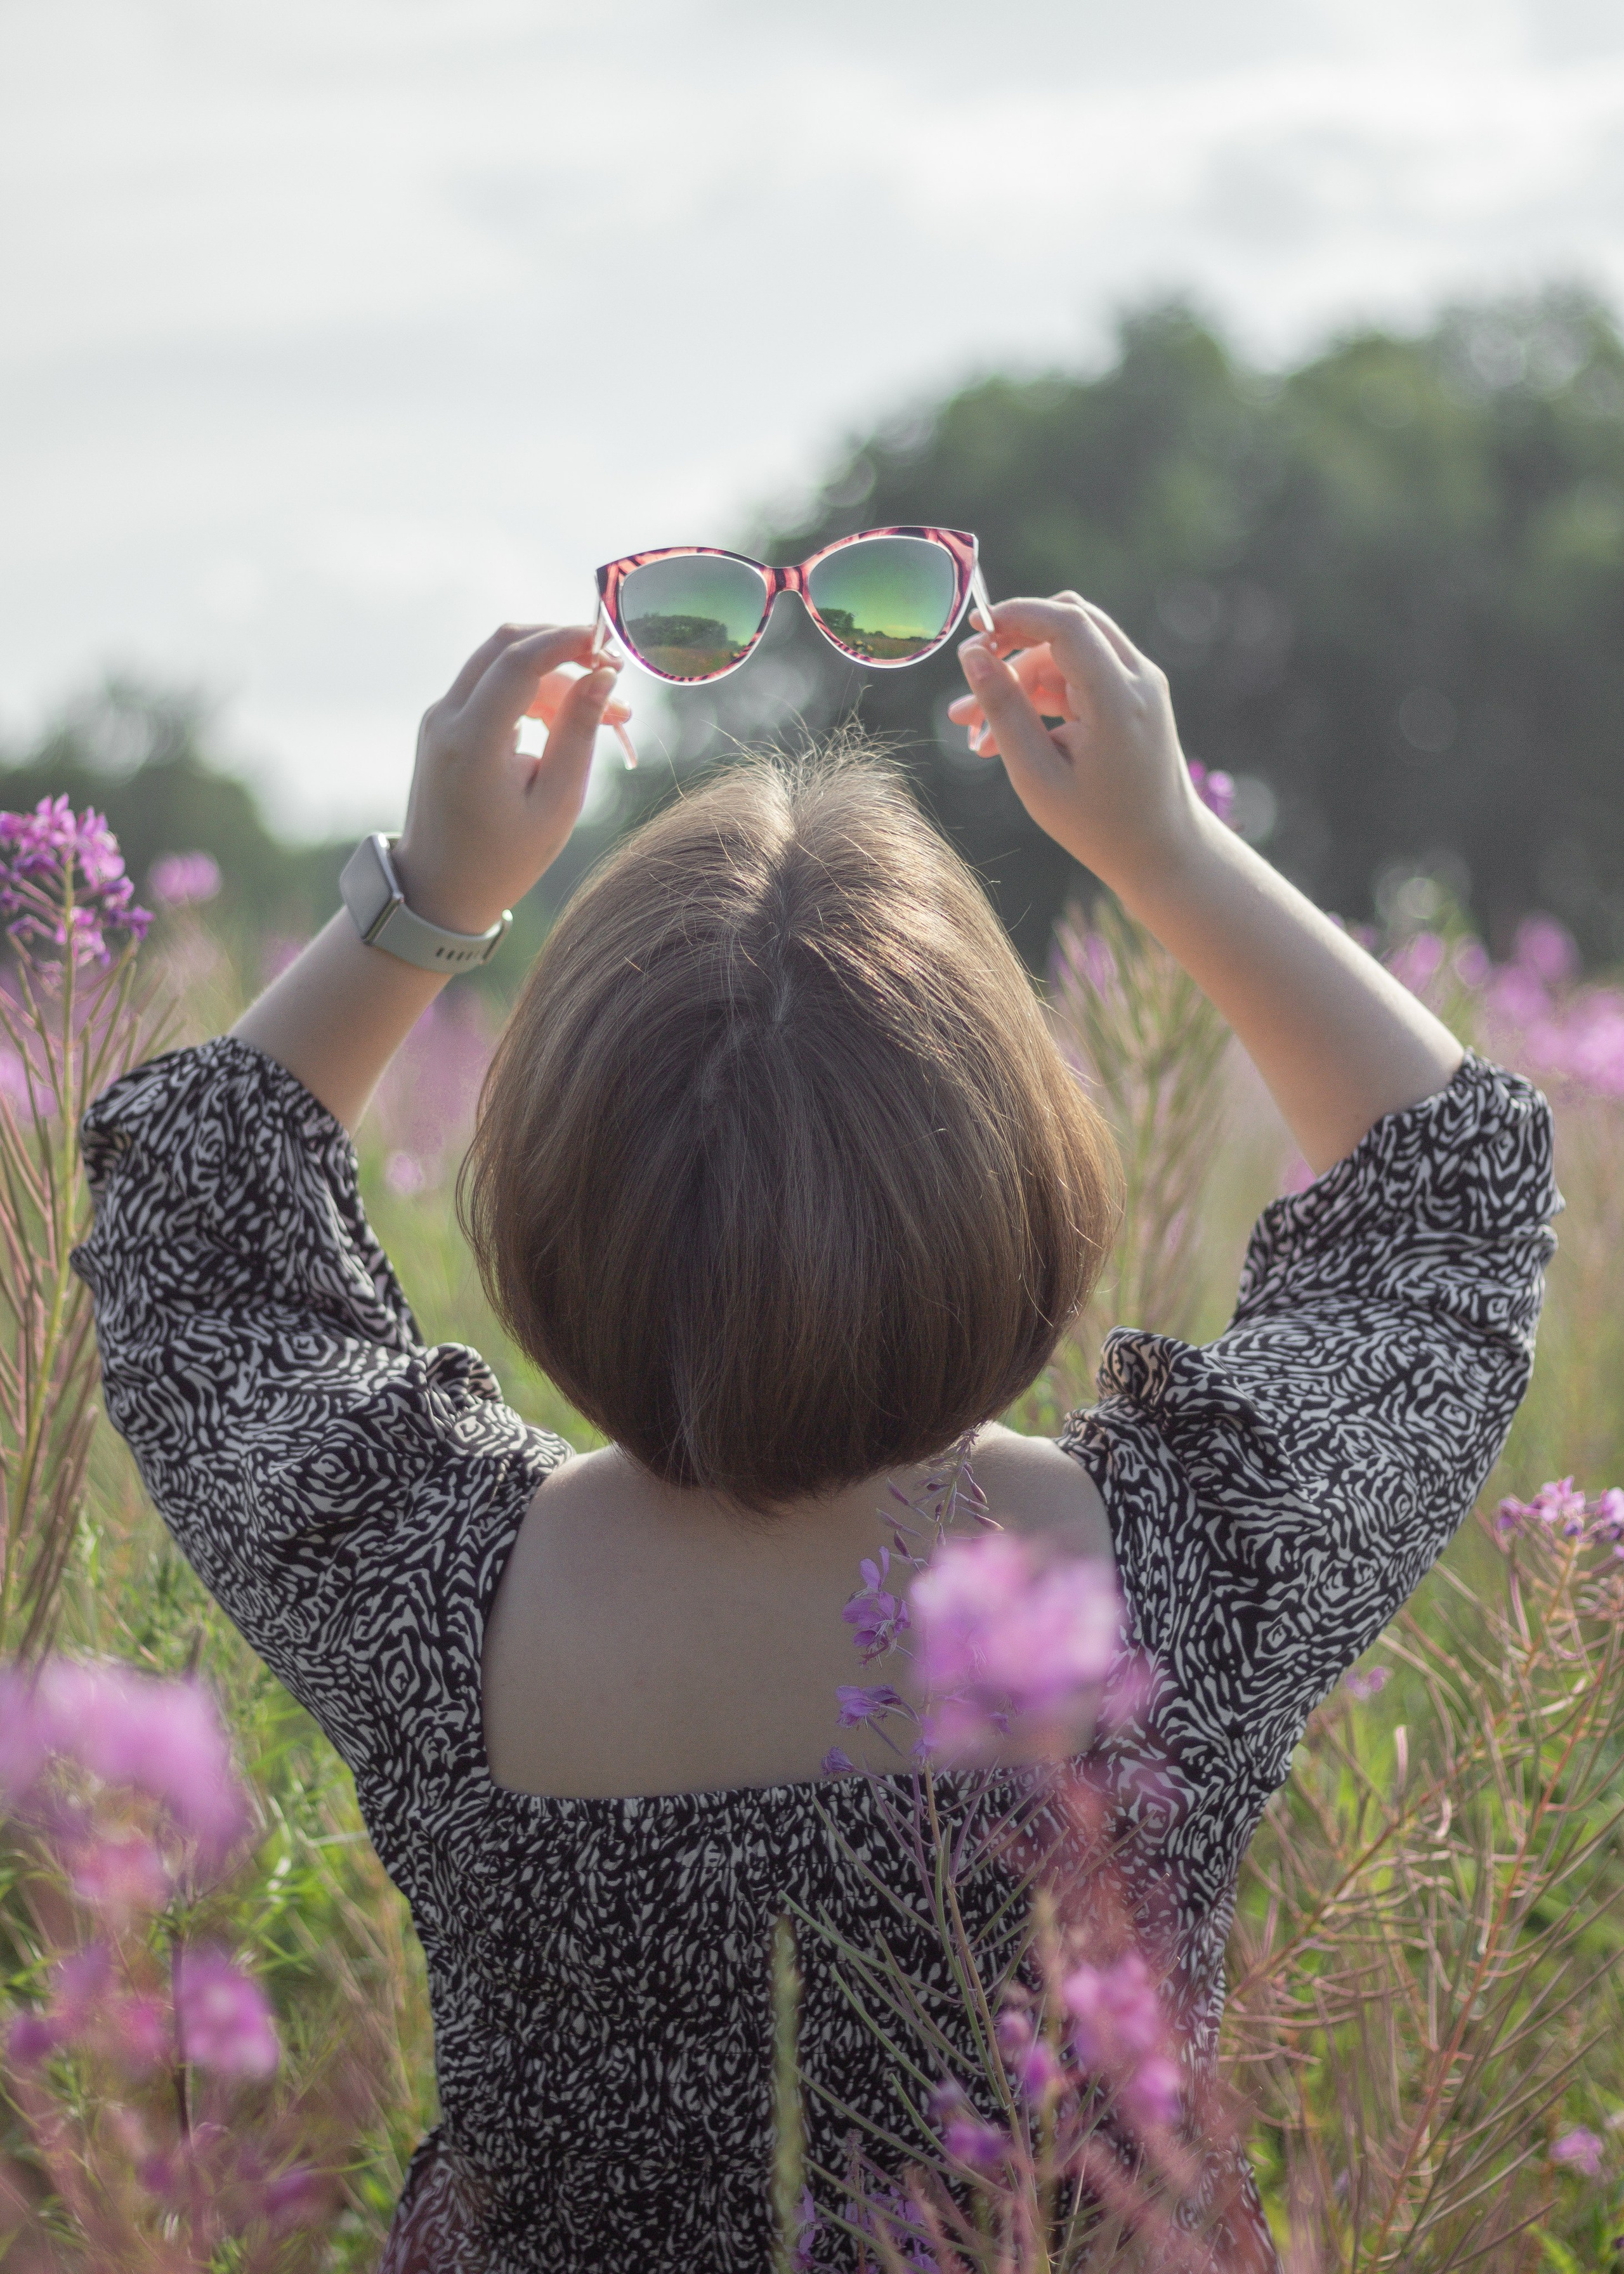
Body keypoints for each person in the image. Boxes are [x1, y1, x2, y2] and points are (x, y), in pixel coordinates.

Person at [72, 596, 1557, 2272]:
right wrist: (1168, 854)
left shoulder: (430, 1593)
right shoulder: (1182, 1585)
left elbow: (189, 1237)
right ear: (1024, 1183)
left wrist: (429, 898)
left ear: (551, 1221)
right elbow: (1453, 1198)